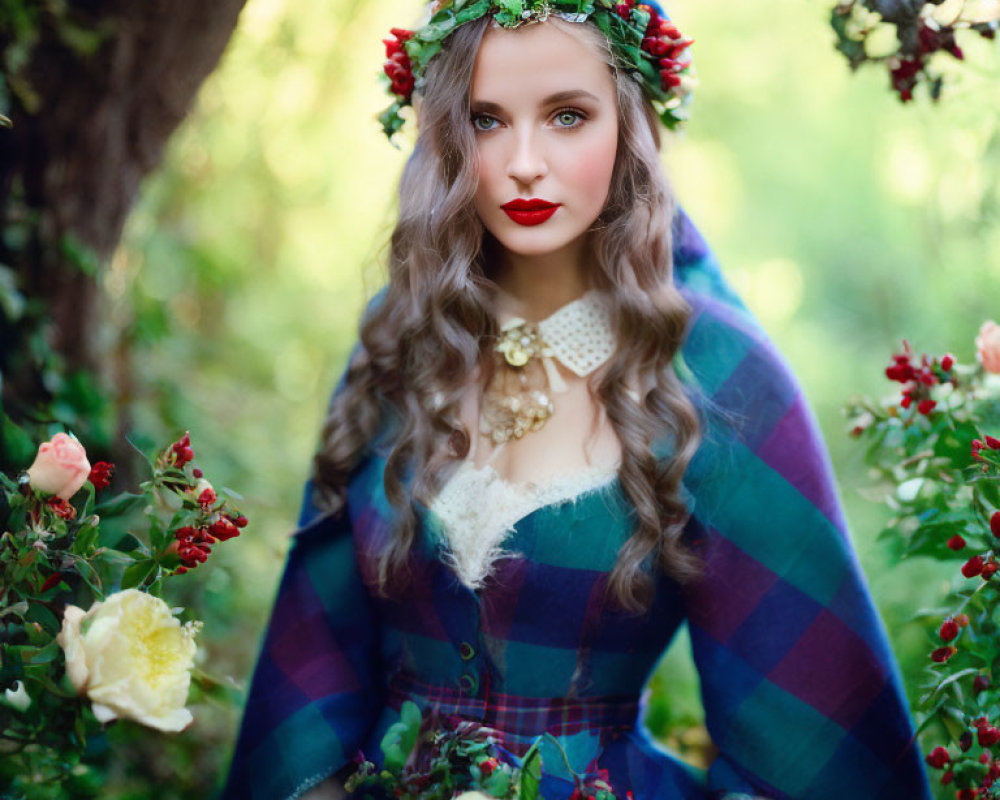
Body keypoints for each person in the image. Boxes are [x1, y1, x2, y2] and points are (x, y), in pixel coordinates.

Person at [219, 2, 933, 799]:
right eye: (485, 120)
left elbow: (816, 740)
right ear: (442, 133)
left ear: (631, 125)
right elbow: (312, 662)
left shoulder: (720, 375)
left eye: (567, 116)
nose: (525, 161)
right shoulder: (400, 341)